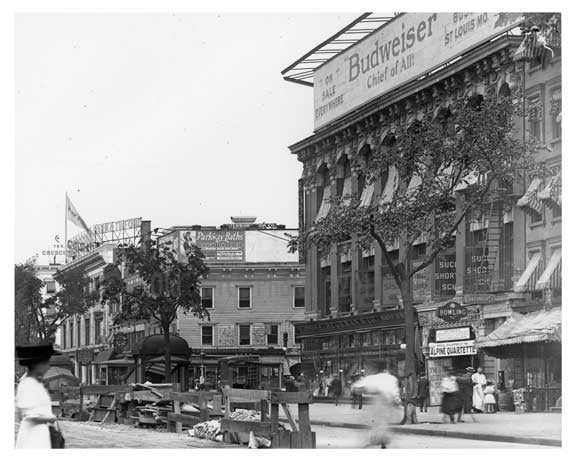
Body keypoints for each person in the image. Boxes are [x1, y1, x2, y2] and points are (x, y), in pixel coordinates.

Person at [15, 344, 61, 448]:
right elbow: (29, 416)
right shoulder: (27, 384)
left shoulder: (36, 383)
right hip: (32, 437)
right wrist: (51, 418)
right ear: (37, 364)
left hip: (40, 434)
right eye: (45, 363)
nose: (48, 367)